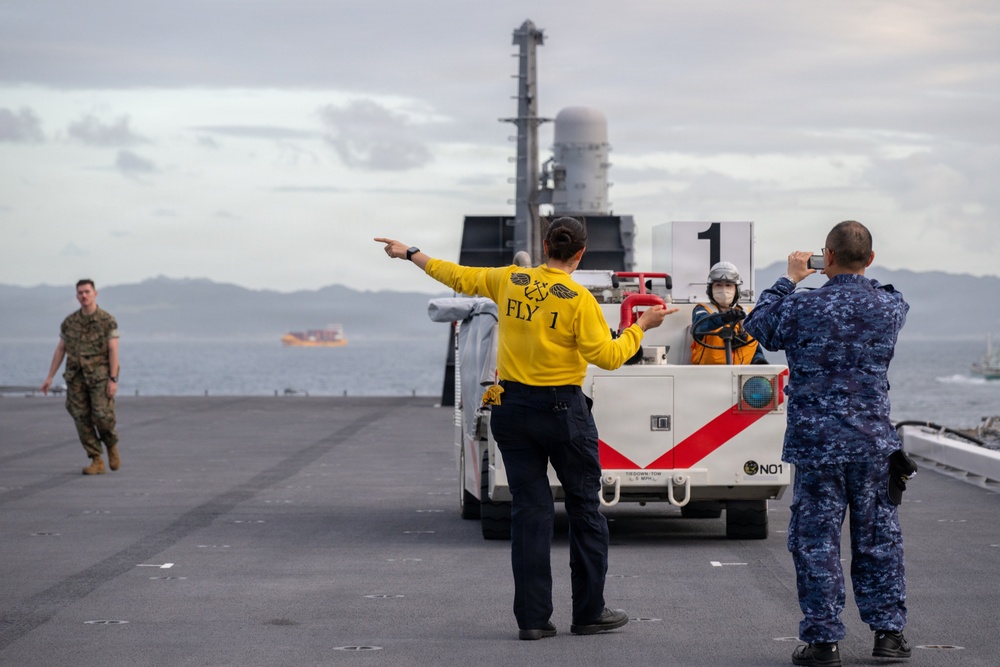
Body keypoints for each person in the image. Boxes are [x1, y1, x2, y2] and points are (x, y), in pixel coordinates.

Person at [375, 217, 677, 641]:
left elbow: (455, 275)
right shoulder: (578, 299)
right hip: (562, 410)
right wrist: (640, 328)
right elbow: (608, 357)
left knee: (529, 514)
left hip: (512, 409)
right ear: (580, 254)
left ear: (544, 246)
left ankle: (533, 620)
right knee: (584, 511)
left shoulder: (510, 280)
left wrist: (409, 253)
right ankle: (589, 613)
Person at [743, 221, 911, 667]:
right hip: (872, 444)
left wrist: (791, 277)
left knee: (815, 542)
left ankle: (823, 642)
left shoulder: (800, 308)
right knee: (878, 539)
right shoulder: (890, 305)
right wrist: (852, 274)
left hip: (817, 446)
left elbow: (758, 325)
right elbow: (883, 293)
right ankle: (888, 636)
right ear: (870, 260)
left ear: (826, 258)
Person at [40, 279, 121, 475]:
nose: (84, 295)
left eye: (87, 292)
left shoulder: (106, 320)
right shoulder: (70, 323)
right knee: (81, 418)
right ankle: (95, 459)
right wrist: (49, 377)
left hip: (99, 377)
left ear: (95, 293)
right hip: (76, 378)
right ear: (77, 296)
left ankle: (110, 445)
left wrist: (113, 379)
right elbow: (61, 349)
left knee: (102, 417)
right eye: (80, 293)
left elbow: (113, 350)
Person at [690, 261, 767, 365]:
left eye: (728, 285)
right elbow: (700, 326)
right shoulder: (702, 310)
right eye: (718, 285)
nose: (723, 290)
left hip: (742, 376)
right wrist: (723, 318)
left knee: (763, 382)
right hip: (708, 375)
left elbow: (754, 346)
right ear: (710, 289)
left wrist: (758, 360)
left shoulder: (746, 313)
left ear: (736, 290)